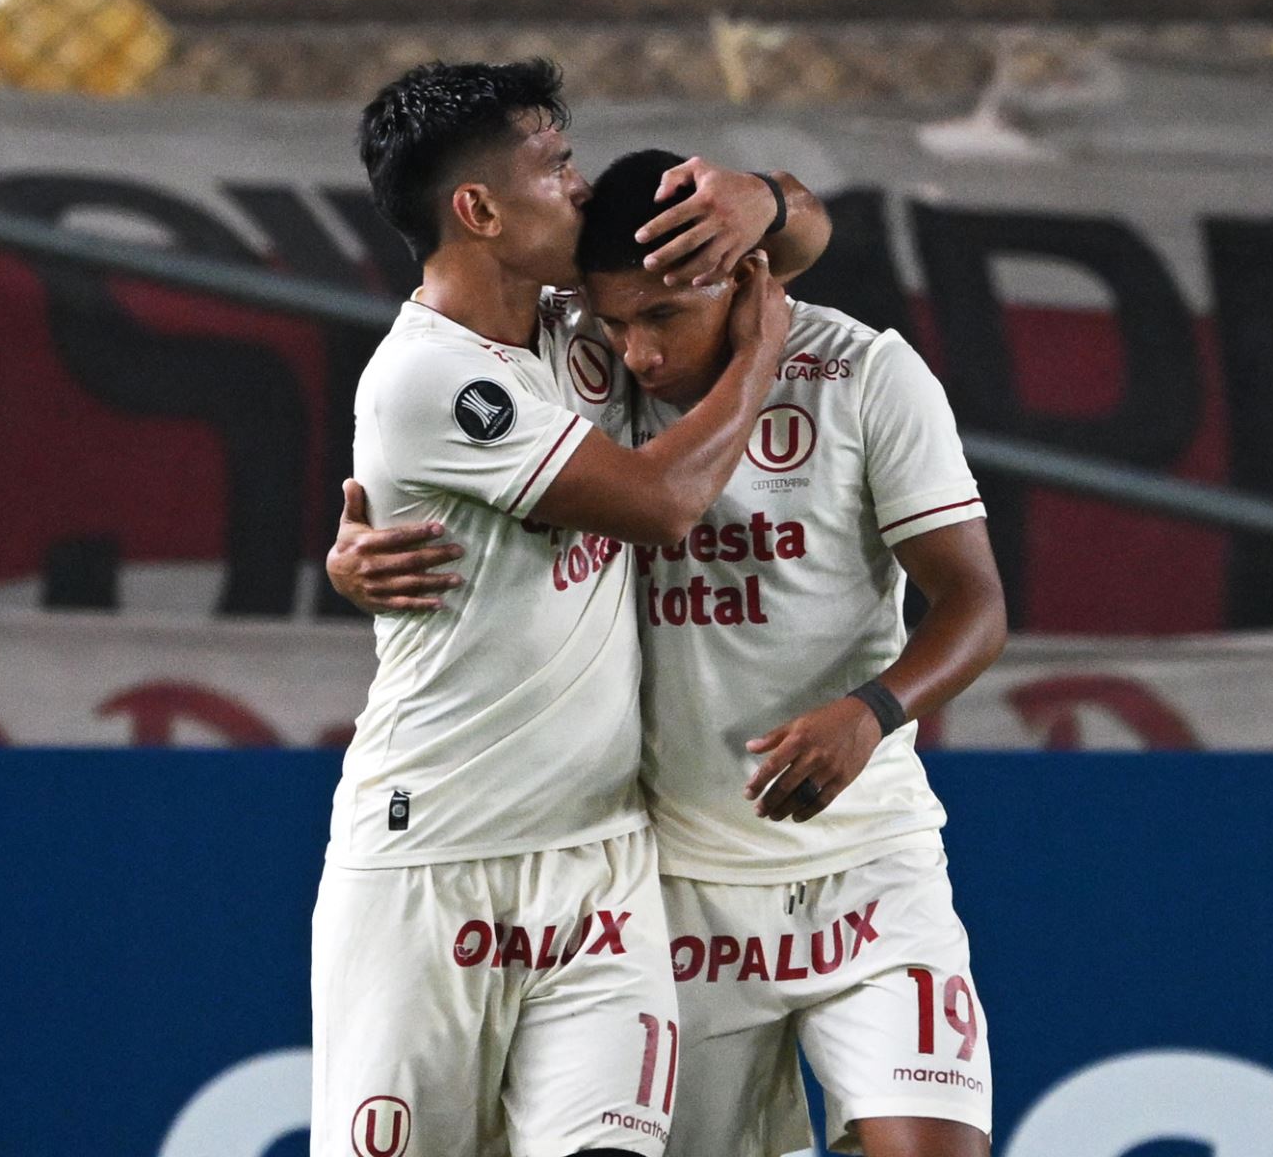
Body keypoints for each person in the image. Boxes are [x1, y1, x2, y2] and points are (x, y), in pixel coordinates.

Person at [332, 149, 1008, 1157]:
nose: (637, 352)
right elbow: (437, 426)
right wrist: (353, 546)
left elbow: (977, 605)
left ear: (741, 277)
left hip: (869, 868)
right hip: (676, 888)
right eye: (615, 322)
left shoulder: (865, 374)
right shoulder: (581, 367)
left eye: (663, 318)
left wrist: (872, 712)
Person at [317, 61, 831, 1157]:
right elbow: (660, 504)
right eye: (555, 168)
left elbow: (793, 245)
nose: (582, 186)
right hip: (434, 862)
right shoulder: (426, 379)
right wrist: (760, 357)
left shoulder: (580, 325)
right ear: (480, 209)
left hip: (599, 860)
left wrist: (766, 201)